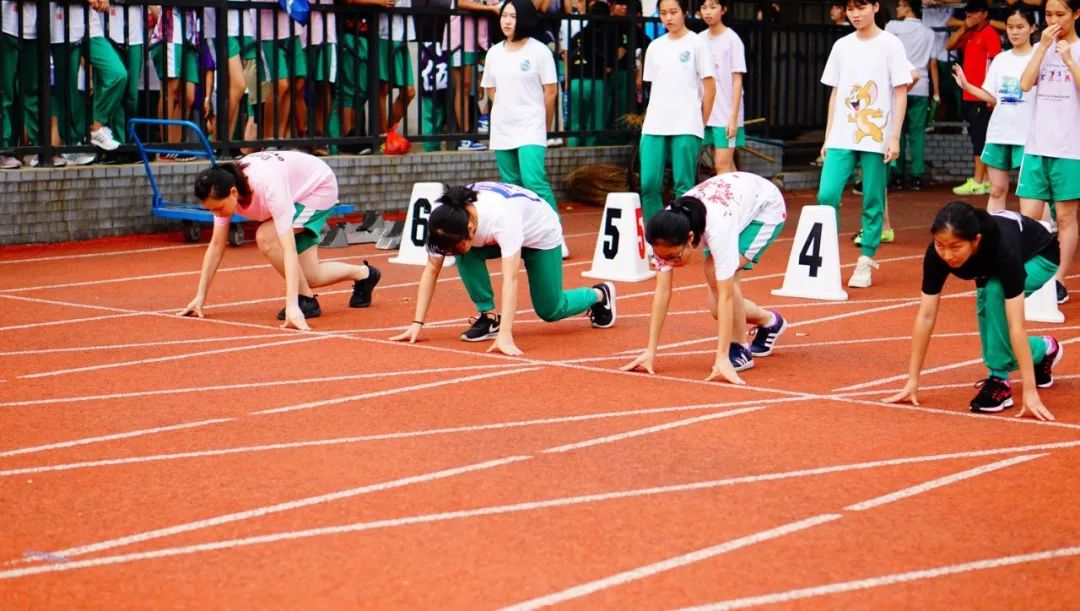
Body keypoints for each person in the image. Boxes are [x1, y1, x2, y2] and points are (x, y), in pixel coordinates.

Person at [389, 182, 617, 356]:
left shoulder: (501, 218)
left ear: (470, 228)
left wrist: (506, 336)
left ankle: (598, 295)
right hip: (496, 238)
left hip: (539, 235)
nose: (452, 251)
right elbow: (431, 268)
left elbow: (510, 279)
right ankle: (488, 317)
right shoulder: (443, 219)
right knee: (464, 255)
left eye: (458, 244)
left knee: (550, 309)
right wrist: (417, 323)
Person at [885, 202, 1061, 420]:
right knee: (986, 309)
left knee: (995, 293)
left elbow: (1017, 325)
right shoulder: (936, 254)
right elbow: (926, 315)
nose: (947, 255)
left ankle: (1000, 380)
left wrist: (1030, 392)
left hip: (1040, 255)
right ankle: (1044, 348)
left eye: (955, 247)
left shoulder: (1003, 251)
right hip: (990, 264)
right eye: (940, 245)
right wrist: (912, 380)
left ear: (976, 240)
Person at [182, 151, 381, 330]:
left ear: (233, 193)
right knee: (311, 276)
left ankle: (306, 301)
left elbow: (288, 248)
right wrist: (200, 297)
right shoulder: (224, 190)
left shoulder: (268, 187)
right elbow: (216, 245)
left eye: (218, 209)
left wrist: (293, 305)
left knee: (266, 237)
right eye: (211, 210)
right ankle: (365, 274)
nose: (216, 214)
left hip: (317, 189)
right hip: (295, 189)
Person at [621, 172, 789, 384]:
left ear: (690, 238)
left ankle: (739, 348)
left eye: (674, 257)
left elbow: (728, 296)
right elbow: (662, 292)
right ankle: (770, 321)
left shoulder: (718, 229)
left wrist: (721, 358)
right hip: (733, 204)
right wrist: (650, 350)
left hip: (765, 208)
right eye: (664, 258)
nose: (669, 263)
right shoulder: (663, 233)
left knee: (715, 277)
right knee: (716, 309)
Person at [816, 0, 912, 288]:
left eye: (861, 7)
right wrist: (828, 136)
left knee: (872, 199)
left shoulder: (891, 44)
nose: (855, 14)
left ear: (875, 6)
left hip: (877, 135)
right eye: (850, 9)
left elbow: (900, 93)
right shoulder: (842, 46)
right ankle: (826, 256)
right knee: (826, 194)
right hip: (842, 134)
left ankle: (865, 259)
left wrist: (894, 136)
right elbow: (835, 93)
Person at [1018, 0, 1080, 305]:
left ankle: (1058, 280)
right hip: (1036, 146)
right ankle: (1023, 276)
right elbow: (1025, 84)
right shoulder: (1040, 48)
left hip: (1071, 148)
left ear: (1076, 14)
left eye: (1060, 14)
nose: (1054, 20)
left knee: (1066, 219)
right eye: (1049, 15)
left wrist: (1069, 60)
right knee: (1027, 217)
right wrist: (1042, 48)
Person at [952, 7, 1038, 212]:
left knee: (1032, 192)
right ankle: (995, 237)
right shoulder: (1000, 59)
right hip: (999, 132)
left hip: (1027, 135)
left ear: (1032, 28)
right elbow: (992, 97)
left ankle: (1039, 234)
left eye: (1020, 27)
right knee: (997, 189)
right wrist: (967, 86)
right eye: (1010, 27)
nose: (1014, 32)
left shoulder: (1038, 56)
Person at [638, 0, 715, 222]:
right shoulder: (655, 46)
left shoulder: (698, 44)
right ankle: (655, 235)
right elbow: (653, 85)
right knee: (649, 184)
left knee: (684, 185)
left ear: (685, 13)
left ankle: (682, 234)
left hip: (687, 123)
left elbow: (710, 88)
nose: (668, 18)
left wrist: (701, 123)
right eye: (663, 13)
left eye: (673, 12)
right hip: (654, 123)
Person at [481, 0, 560, 214]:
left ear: (524, 19)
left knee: (534, 181)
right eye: (504, 15)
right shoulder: (494, 53)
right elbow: (490, 88)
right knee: (511, 186)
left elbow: (550, 91)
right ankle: (523, 236)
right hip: (503, 127)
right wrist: (506, 106)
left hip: (531, 125)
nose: (506, 21)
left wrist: (544, 124)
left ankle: (555, 236)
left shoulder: (539, 51)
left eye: (513, 17)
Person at [946, 0, 1001, 196]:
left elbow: (996, 63)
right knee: (976, 137)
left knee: (980, 139)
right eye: (967, 13)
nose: (969, 16)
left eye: (974, 13)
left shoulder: (990, 34)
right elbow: (948, 45)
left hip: (982, 95)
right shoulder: (969, 32)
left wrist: (991, 94)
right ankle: (984, 180)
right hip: (969, 94)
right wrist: (964, 27)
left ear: (984, 14)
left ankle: (979, 180)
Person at [886, 0, 934, 190]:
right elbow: (932, 61)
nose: (897, 9)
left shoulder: (893, 26)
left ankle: (896, 174)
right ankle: (917, 175)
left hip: (898, 83)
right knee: (917, 133)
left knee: (897, 130)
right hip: (921, 83)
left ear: (907, 7)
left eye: (900, 5)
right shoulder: (928, 32)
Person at [700, 0, 746, 175]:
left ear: (724, 9)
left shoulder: (732, 40)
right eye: (704, 7)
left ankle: (729, 202)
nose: (708, 12)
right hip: (706, 113)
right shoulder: (699, 39)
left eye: (713, 7)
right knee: (725, 166)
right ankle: (742, 199)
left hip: (726, 114)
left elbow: (737, 80)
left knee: (722, 165)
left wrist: (733, 117)